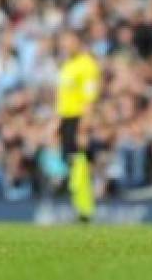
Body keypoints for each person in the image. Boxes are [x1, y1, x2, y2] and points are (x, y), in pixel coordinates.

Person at [56, 30, 100, 222]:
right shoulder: (67, 65)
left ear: (78, 42)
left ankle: (85, 209)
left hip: (78, 119)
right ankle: (79, 207)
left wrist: (83, 127)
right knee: (71, 162)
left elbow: (89, 98)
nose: (65, 46)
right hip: (66, 118)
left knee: (80, 163)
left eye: (68, 41)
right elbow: (63, 97)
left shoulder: (87, 65)